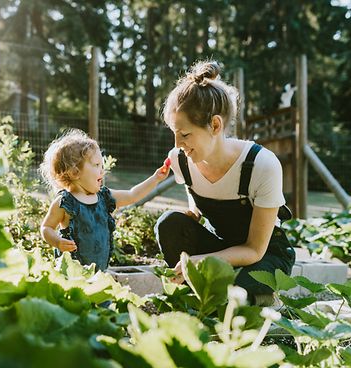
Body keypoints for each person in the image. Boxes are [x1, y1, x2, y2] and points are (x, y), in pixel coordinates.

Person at [155, 60, 295, 305]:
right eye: (174, 133)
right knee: (169, 224)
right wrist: (194, 212)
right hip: (222, 246)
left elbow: (254, 250)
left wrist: (206, 261)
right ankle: (201, 295)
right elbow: (195, 192)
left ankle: (261, 300)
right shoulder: (181, 159)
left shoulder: (262, 164)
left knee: (231, 287)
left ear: (215, 125)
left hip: (263, 256)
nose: (177, 144)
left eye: (185, 134)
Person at [39, 129, 170, 271]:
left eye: (102, 165)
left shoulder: (104, 197)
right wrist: (57, 241)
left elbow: (132, 195)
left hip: (100, 271)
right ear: (75, 172)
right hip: (72, 273)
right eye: (96, 165)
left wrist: (156, 178)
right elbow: (46, 228)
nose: (102, 170)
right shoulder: (65, 203)